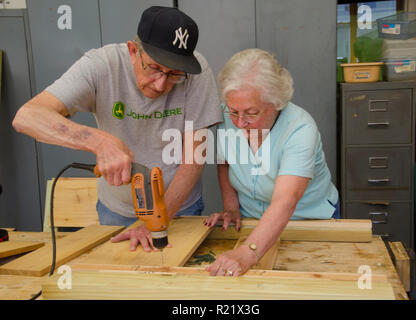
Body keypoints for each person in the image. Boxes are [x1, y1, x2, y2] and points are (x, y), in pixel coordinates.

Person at [12, 6, 222, 252]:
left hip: (181, 208)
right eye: (153, 68)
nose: (161, 83)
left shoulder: (197, 71)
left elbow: (194, 158)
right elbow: (27, 117)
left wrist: (159, 219)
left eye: (174, 74)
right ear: (133, 51)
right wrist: (99, 142)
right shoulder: (100, 66)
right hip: (117, 210)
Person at [204, 48, 339, 276]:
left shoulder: (300, 128)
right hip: (252, 221)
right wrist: (231, 207)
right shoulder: (229, 115)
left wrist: (247, 253)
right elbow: (224, 160)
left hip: (307, 220)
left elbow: (285, 200)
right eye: (233, 111)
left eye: (251, 113)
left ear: (276, 102)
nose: (239, 122)